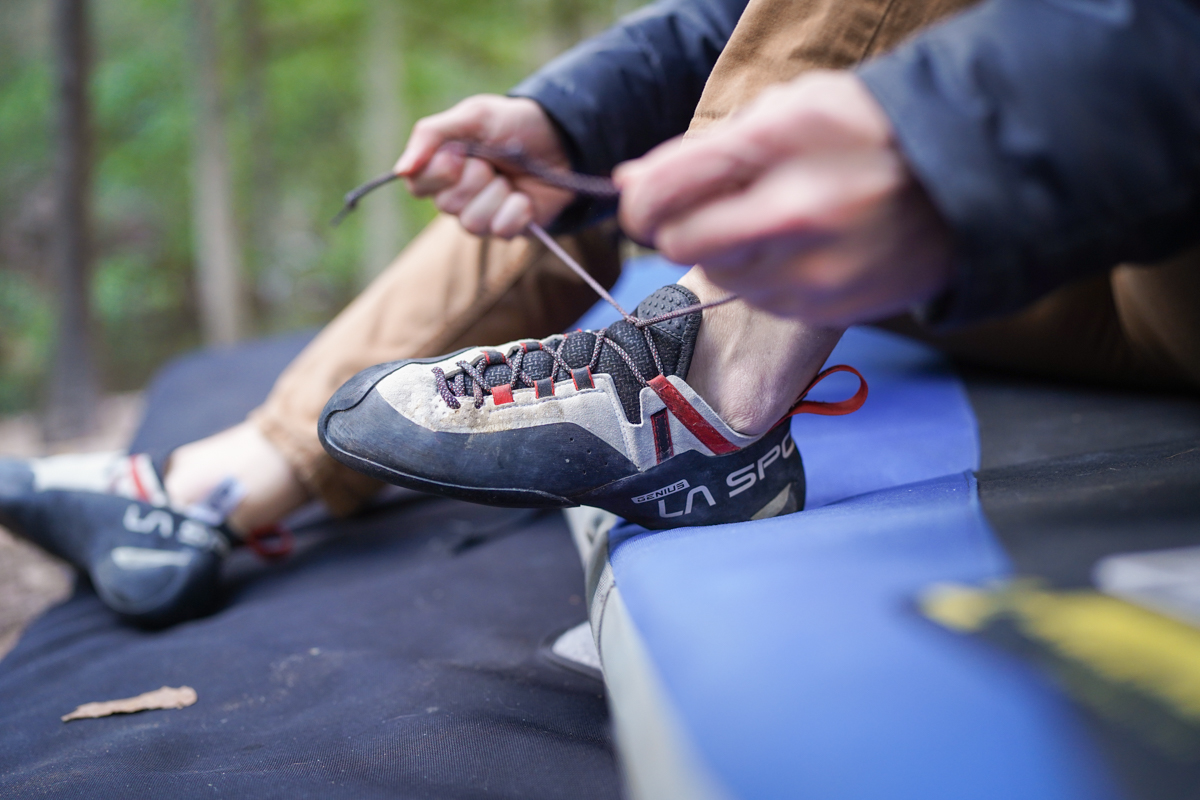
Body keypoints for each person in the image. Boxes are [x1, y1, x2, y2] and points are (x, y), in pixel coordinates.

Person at [3, 0, 1199, 624]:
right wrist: (568, 116)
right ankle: (217, 488)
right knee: (605, 185)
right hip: (1046, 225)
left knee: (719, 210)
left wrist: (943, 138)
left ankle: (711, 387)